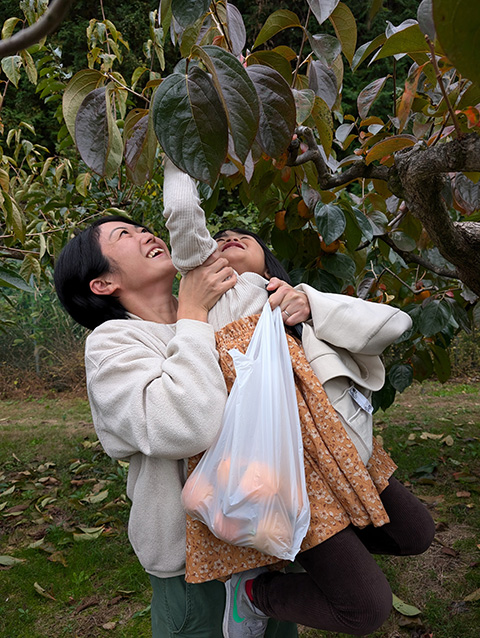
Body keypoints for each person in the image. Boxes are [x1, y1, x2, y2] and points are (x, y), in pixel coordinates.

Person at [162, 158, 436, 638]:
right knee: (365, 608)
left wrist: (311, 302)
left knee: (416, 533)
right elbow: (184, 213)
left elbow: (394, 324)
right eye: (219, 238)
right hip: (281, 466)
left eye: (244, 238)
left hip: (340, 452)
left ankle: (300, 549)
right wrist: (179, 144)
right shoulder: (216, 292)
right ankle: (255, 593)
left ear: (269, 263)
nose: (229, 239)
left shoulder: (292, 307)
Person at [53, 216, 300, 638]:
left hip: (266, 535)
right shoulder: (112, 344)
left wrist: (301, 305)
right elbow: (184, 425)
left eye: (141, 228)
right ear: (103, 283)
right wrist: (193, 312)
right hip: (192, 569)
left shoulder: (222, 310)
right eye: (124, 235)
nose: (146, 234)